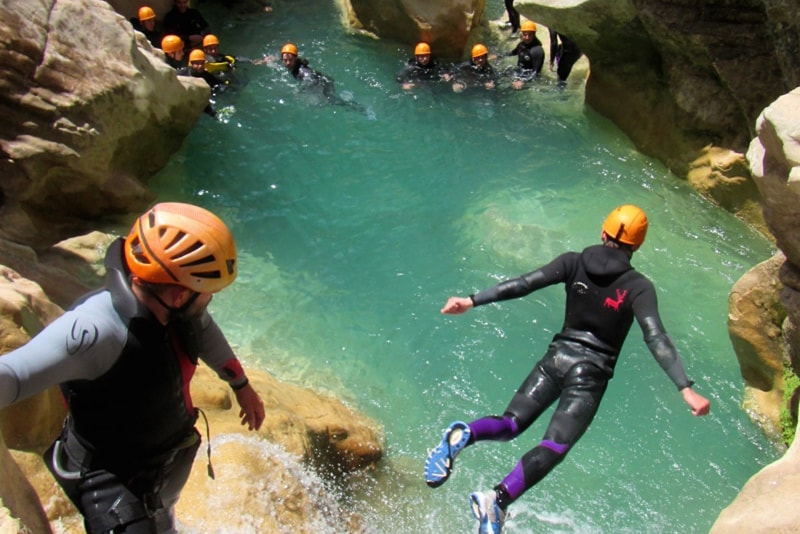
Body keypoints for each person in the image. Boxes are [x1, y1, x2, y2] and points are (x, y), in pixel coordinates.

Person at [423, 205, 711, 534]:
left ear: (603, 233)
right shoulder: (638, 287)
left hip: (555, 360)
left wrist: (472, 300)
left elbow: (523, 284)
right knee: (554, 446)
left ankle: (463, 435)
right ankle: (497, 500)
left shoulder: (571, 262)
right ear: (638, 245)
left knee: (510, 424)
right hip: (588, 375)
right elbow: (655, 336)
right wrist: (684, 387)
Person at [0, 202, 266, 534]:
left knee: (163, 518)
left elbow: (205, 329)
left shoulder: (171, 306)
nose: (209, 300)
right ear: (180, 295)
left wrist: (241, 386)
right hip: (111, 481)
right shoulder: (97, 331)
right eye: (207, 293)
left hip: (160, 463)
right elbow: (13, 375)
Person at [503, 20, 544, 89]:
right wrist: (498, 56)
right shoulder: (522, 45)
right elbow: (513, 53)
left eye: (529, 35)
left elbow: (536, 73)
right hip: (519, 71)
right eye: (525, 34)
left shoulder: (537, 50)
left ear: (534, 34)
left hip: (528, 76)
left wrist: (523, 82)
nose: (527, 37)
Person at [188, 48, 223, 117]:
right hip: (191, 98)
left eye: (202, 63)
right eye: (197, 63)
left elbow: (219, 83)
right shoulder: (183, 73)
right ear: (191, 63)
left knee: (213, 113)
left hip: (203, 97)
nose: (200, 66)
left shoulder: (207, 75)